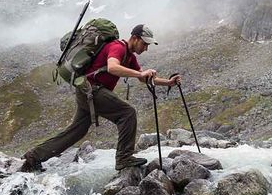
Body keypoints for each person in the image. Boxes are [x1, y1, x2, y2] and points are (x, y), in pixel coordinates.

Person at [20, 24, 180, 172]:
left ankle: (33, 157)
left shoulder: (130, 57)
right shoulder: (118, 47)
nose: (146, 48)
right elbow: (112, 67)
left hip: (86, 91)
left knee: (77, 131)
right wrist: (139, 73)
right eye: (144, 44)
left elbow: (143, 78)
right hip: (92, 90)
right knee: (127, 113)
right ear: (135, 38)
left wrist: (169, 83)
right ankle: (124, 157)